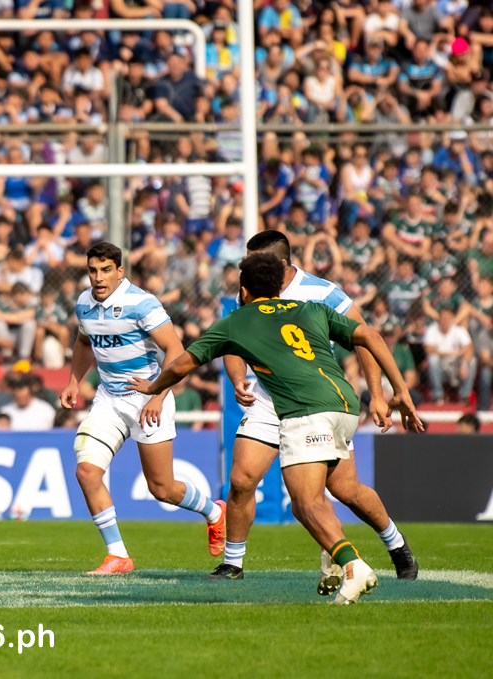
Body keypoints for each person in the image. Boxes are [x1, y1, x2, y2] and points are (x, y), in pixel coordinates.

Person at [131, 253, 424, 604]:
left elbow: (182, 364)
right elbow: (371, 337)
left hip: (303, 409)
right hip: (341, 403)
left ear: (244, 290)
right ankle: (238, 563)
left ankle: (353, 564)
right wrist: (399, 392)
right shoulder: (309, 308)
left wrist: (154, 387)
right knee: (254, 481)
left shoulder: (238, 319)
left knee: (305, 502)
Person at [210, 231, 419, 588]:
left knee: (346, 490)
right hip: (267, 400)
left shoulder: (323, 293)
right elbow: (234, 337)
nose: (246, 269)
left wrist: (379, 393)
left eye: (253, 262)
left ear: (279, 265)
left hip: (314, 401)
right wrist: (237, 377)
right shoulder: (249, 289)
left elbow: (364, 338)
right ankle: (233, 563)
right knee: (242, 480)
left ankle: (396, 545)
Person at [60, 242, 226, 575]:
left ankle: (214, 512)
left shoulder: (141, 303)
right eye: (92, 270)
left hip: (148, 398)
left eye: (106, 270)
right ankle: (118, 555)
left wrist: (157, 395)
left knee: (162, 488)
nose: (98, 278)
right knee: (86, 472)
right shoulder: (83, 303)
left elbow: (176, 350)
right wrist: (74, 381)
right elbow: (83, 342)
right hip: (108, 400)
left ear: (120, 271)